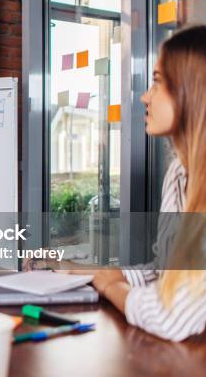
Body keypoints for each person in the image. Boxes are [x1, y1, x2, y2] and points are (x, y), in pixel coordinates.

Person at [27, 25, 206, 341]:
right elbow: (165, 272)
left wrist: (111, 286)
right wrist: (87, 271)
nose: (144, 95)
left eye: (158, 82)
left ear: (192, 92)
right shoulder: (180, 174)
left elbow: (170, 316)